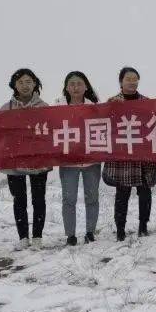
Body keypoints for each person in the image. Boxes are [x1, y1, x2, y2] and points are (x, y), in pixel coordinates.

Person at [103, 67, 156, 241]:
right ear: (121, 82)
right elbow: (107, 126)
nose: (132, 81)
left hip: (143, 154)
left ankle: (143, 225)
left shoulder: (147, 102)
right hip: (123, 154)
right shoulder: (112, 102)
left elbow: (153, 124)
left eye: (135, 78)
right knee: (122, 193)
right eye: (128, 78)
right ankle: (120, 228)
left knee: (145, 192)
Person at [0, 68, 52, 249]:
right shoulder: (6, 108)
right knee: (19, 199)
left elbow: (51, 132)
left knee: (39, 199)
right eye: (20, 82)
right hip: (14, 161)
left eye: (29, 81)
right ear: (14, 85)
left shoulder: (44, 108)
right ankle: (23, 237)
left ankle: (37, 237)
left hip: (39, 161)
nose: (25, 85)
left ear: (35, 83)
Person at [54, 71, 101, 246]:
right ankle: (70, 234)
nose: (75, 87)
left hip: (91, 160)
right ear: (66, 87)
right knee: (69, 198)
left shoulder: (95, 107)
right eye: (72, 84)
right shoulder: (56, 108)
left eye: (79, 84)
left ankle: (90, 231)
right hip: (68, 161)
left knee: (92, 197)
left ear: (86, 86)